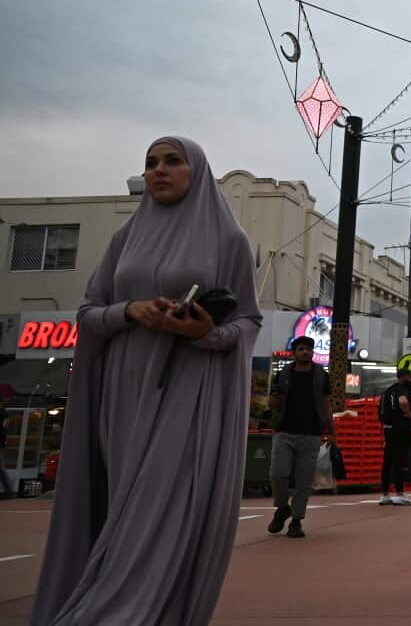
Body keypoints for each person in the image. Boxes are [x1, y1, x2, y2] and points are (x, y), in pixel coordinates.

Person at [32, 137, 262, 625]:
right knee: (123, 507)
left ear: (195, 172)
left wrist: (206, 332)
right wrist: (131, 310)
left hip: (191, 391)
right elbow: (89, 312)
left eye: (172, 162)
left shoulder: (228, 241)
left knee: (159, 509)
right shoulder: (125, 238)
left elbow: (248, 322)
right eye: (151, 163)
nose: (159, 171)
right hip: (125, 390)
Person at [266, 336, 335, 537]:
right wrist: (274, 401)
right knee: (277, 474)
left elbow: (326, 403)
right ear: (294, 352)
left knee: (303, 481)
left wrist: (331, 430)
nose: (305, 352)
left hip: (311, 433)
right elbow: (271, 403)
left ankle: (296, 520)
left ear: (312, 352)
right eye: (301, 349)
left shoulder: (322, 375)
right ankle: (282, 507)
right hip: (284, 431)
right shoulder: (283, 374)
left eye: (308, 349)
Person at [378, 369, 411, 506]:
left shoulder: (387, 391)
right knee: (399, 462)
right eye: (410, 377)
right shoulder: (401, 389)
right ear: (405, 377)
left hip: (388, 429)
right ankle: (400, 494)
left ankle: (385, 495)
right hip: (400, 430)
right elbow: (403, 402)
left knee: (387, 462)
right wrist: (409, 414)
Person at [0, 398, 13, 499]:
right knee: (1, 468)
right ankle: (8, 490)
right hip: (1, 442)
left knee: (1, 468)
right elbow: (5, 426)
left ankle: (9, 490)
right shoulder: (5, 413)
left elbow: (5, 425)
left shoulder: (4, 413)